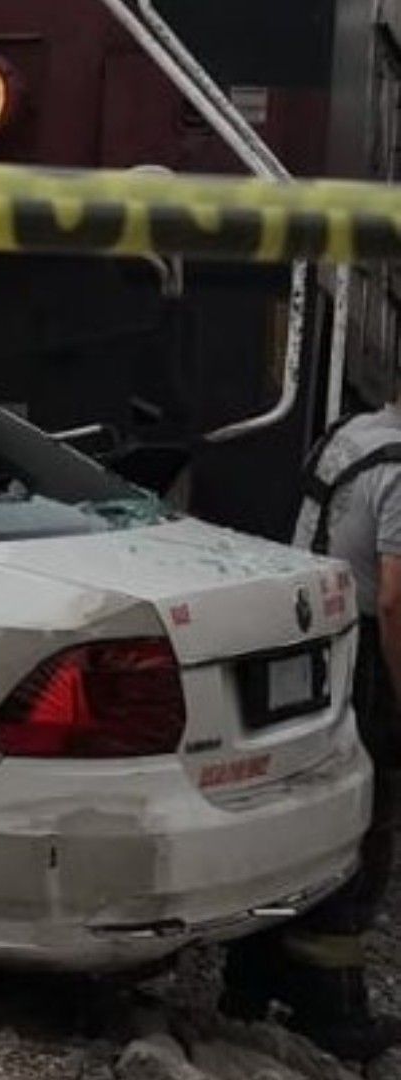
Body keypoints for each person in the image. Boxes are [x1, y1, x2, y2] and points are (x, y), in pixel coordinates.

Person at [222, 404, 401, 1061]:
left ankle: (250, 980)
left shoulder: (351, 434)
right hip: (364, 656)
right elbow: (394, 599)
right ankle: (333, 1011)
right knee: (364, 827)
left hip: (309, 636)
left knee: (298, 807)